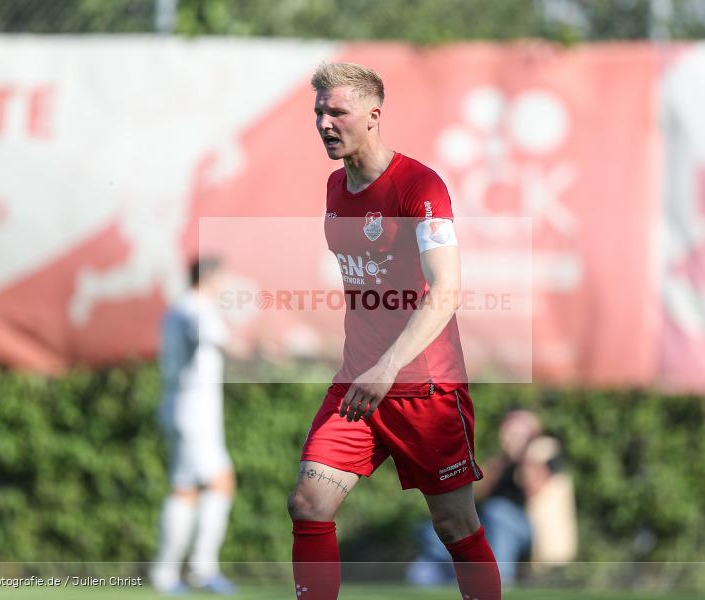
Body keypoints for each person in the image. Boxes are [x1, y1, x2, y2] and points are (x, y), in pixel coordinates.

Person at [286, 62, 500, 600]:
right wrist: (370, 367)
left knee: (456, 526)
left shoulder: (420, 187)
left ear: (374, 116)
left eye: (338, 111)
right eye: (319, 112)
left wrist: (388, 367)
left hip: (423, 387)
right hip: (358, 382)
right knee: (309, 504)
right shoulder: (336, 186)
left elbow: (445, 290)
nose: (324, 123)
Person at [407, 410, 574, 586]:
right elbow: (477, 494)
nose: (510, 438)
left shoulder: (544, 456)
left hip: (528, 528)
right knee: (431, 530)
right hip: (490, 526)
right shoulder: (500, 463)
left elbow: (534, 487)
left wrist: (526, 457)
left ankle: (500, 580)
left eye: (517, 433)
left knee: (498, 512)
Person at [150, 257, 236, 595]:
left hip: (179, 405)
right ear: (211, 278)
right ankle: (199, 568)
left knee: (188, 487)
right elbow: (218, 341)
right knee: (218, 483)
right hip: (194, 412)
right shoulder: (199, 309)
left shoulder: (176, 309)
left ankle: (170, 572)